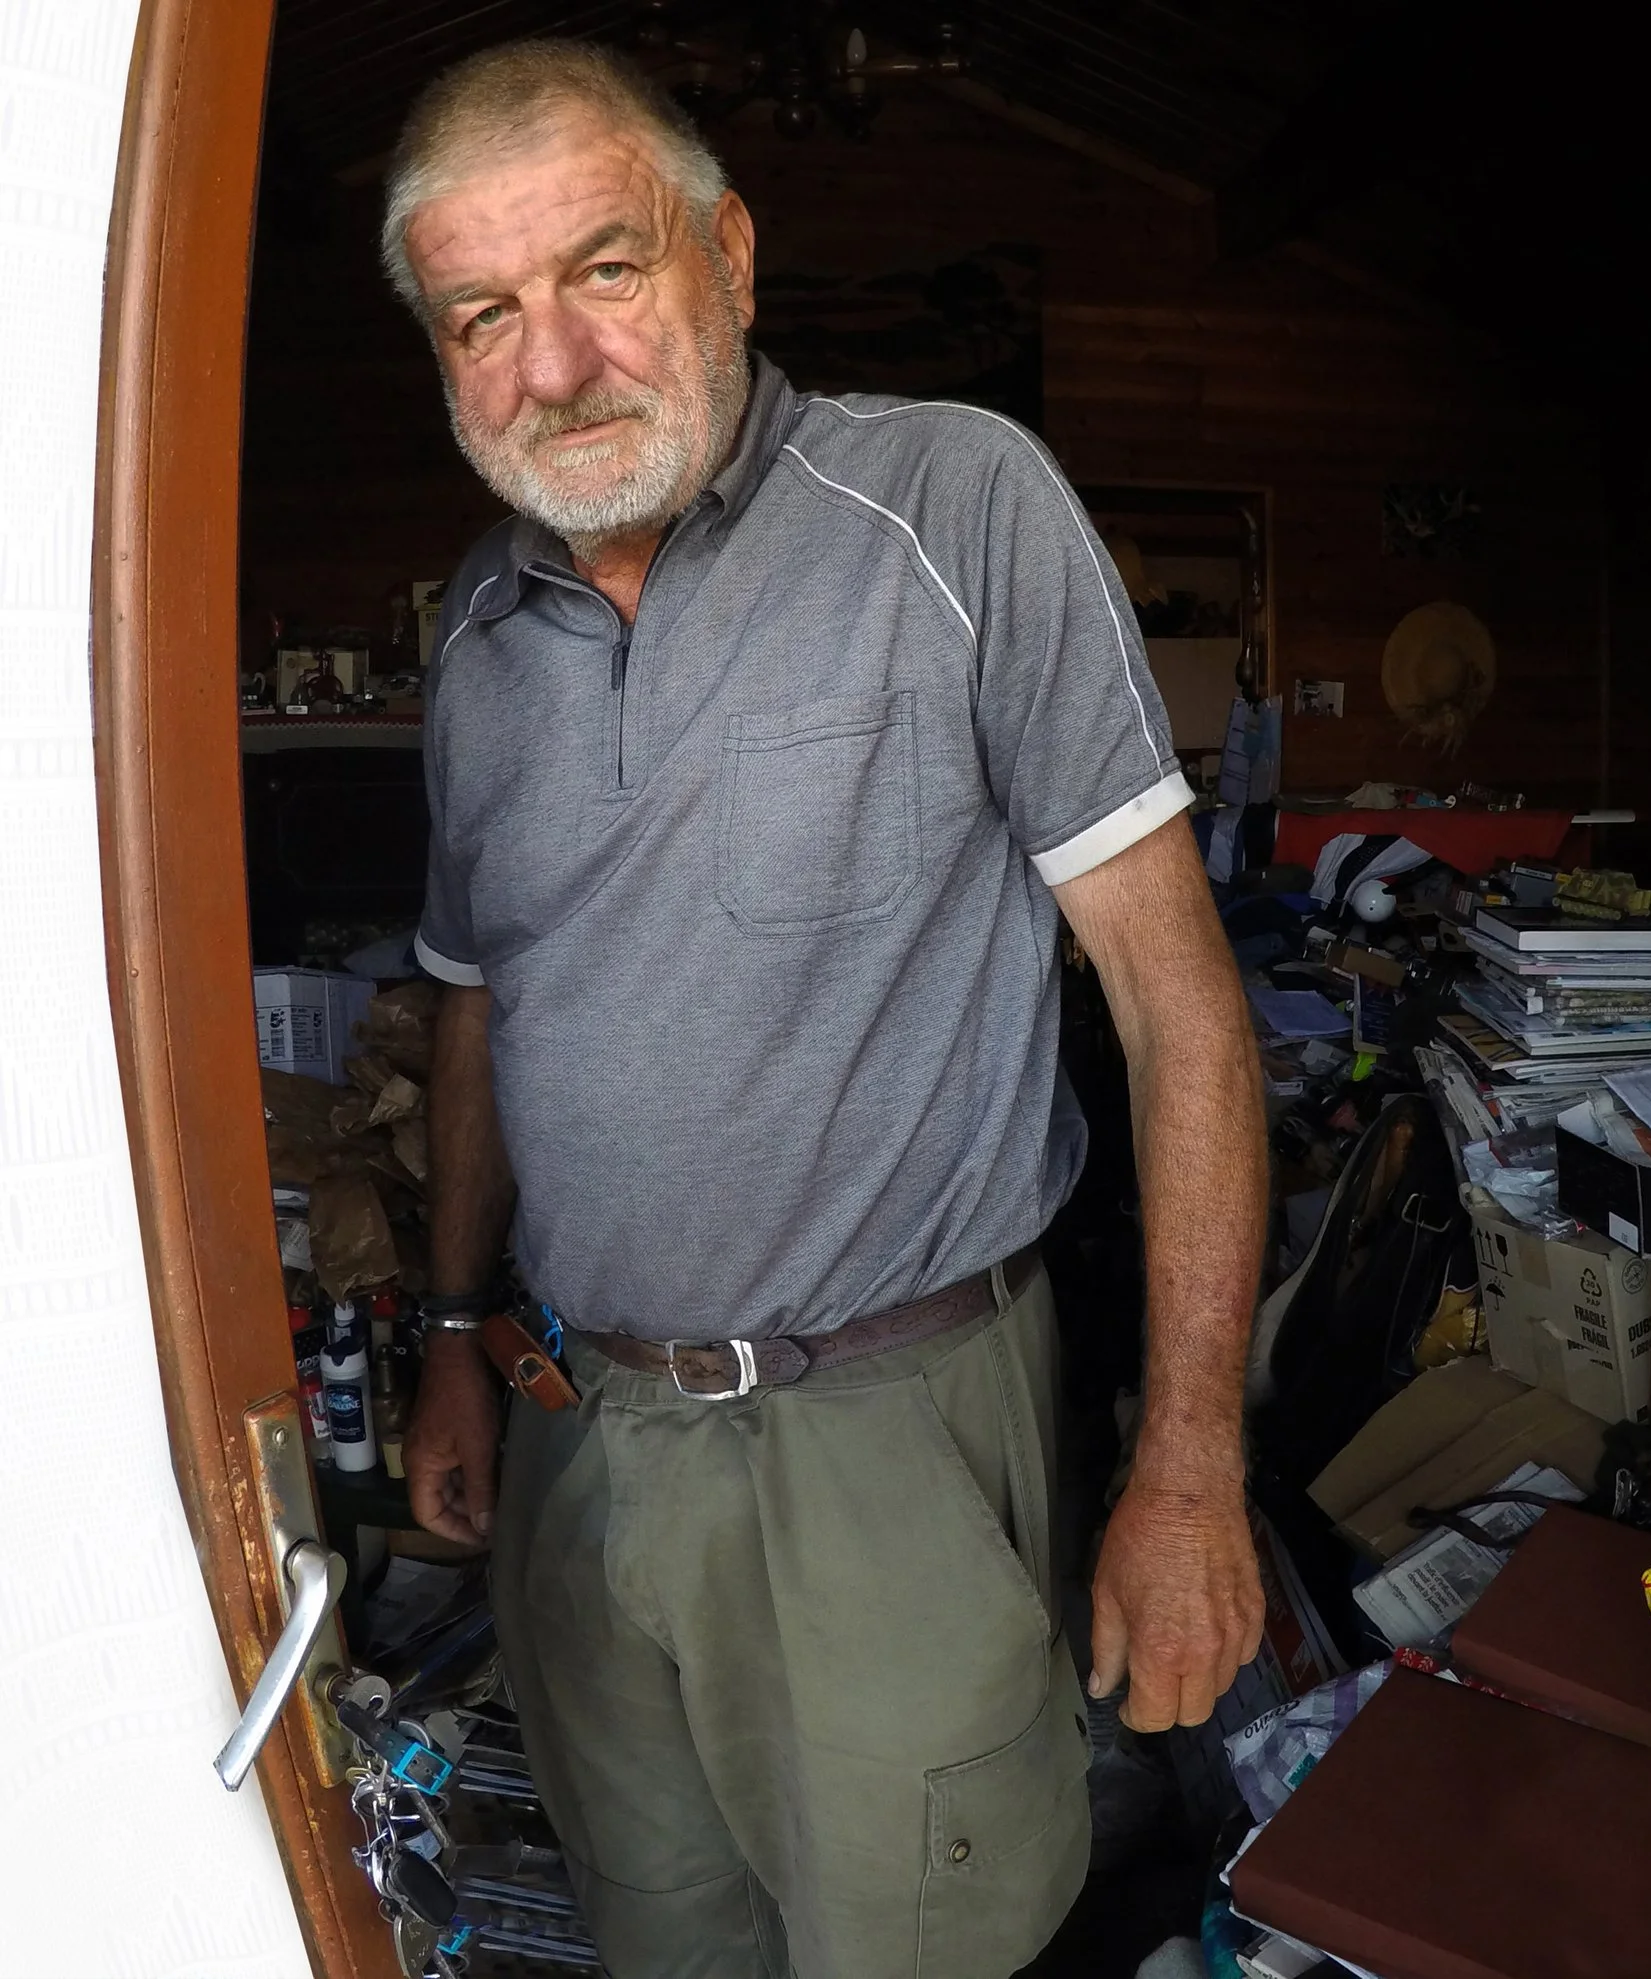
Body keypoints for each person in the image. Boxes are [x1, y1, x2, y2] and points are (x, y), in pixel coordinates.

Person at [386, 39, 1268, 1979]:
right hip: (575, 1428)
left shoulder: (949, 501)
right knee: (655, 1932)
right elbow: (470, 1007)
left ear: (730, 253)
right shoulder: (473, 629)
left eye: (604, 271)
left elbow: (1174, 1000)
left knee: (923, 1943)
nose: (552, 365)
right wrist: (451, 1327)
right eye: (483, 312)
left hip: (886, 1425)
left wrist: (1188, 1456)